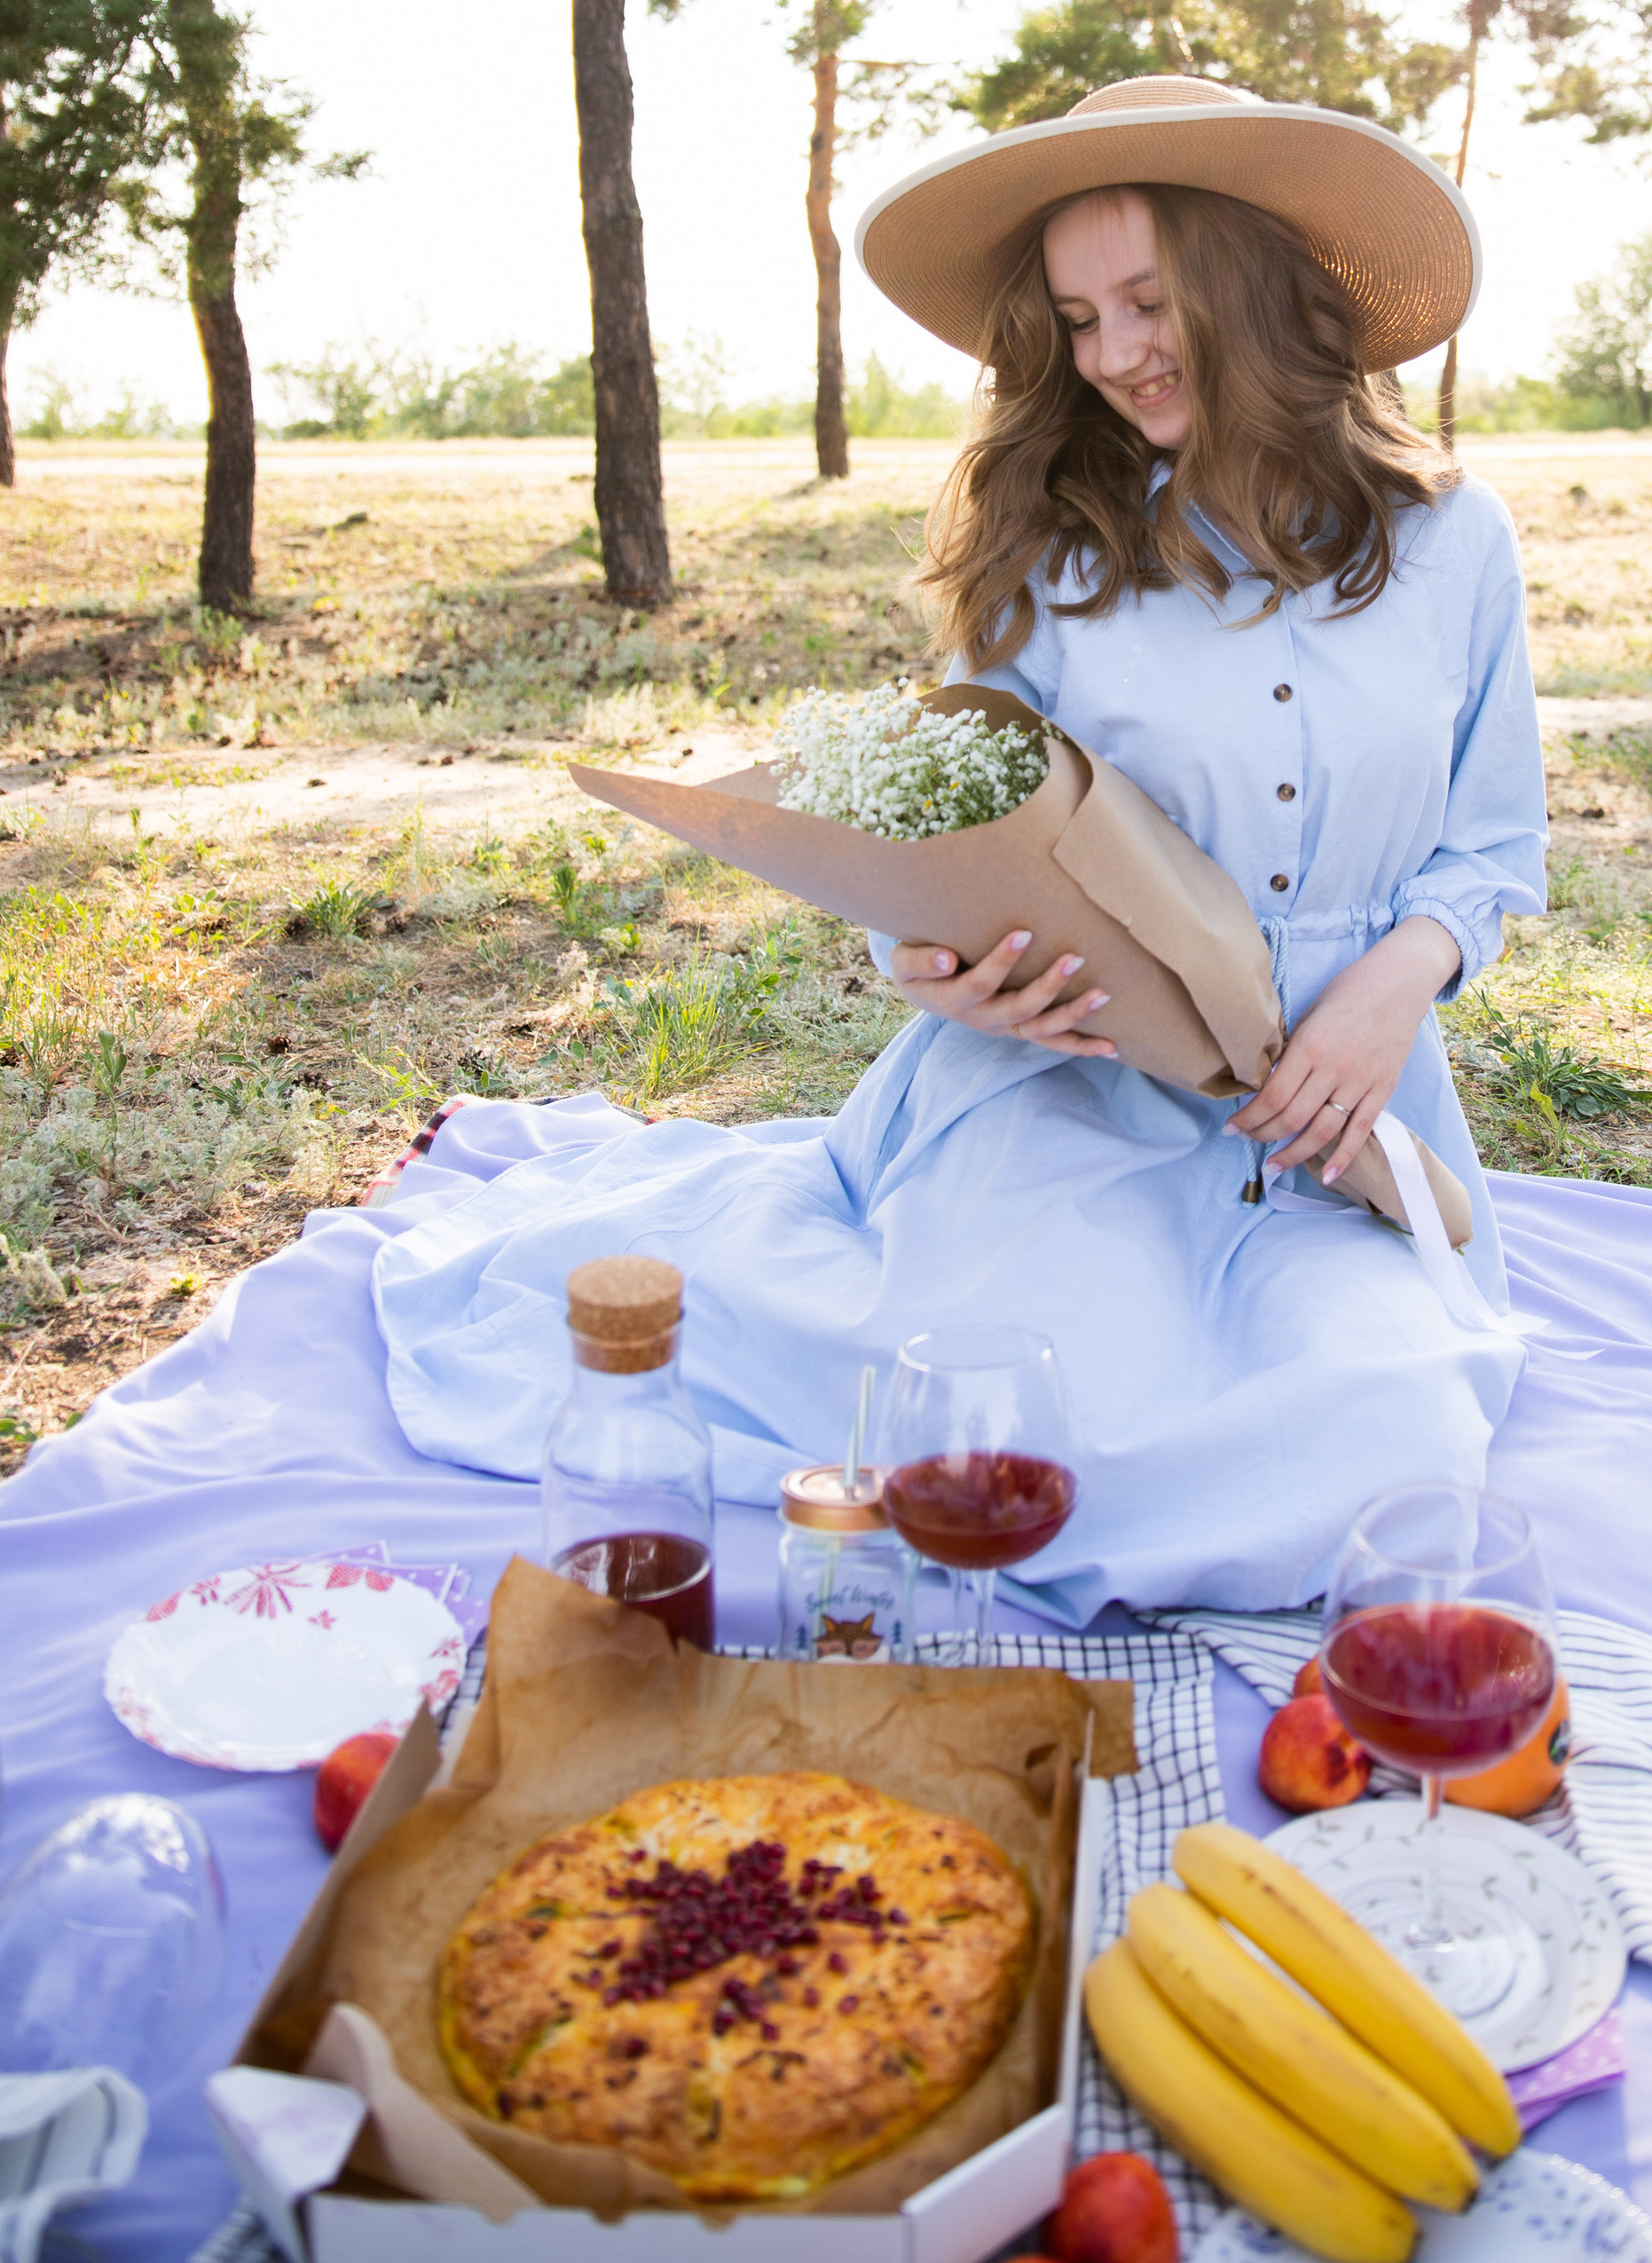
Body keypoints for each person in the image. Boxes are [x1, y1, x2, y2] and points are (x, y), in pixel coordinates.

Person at [374, 79, 1548, 1620]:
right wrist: (941, 971)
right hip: (1069, 1085)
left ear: (1259, 292)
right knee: (1017, 1434)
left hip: (1335, 1127)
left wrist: (1398, 982)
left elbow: (1494, 847)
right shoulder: (1050, 552)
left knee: (1387, 1455)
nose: (1117, 354)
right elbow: (939, 835)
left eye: (1149, 300)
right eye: (1077, 318)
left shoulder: (1456, 542)